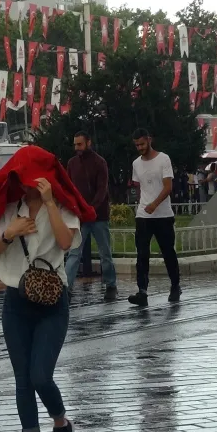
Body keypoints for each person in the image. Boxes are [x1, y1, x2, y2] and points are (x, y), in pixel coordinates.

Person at [0, 145, 95, 432]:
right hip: (16, 303)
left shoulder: (61, 207)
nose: (29, 183)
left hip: (51, 303)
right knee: (22, 379)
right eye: (23, 177)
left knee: (40, 376)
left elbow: (65, 242)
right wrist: (9, 233)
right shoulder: (10, 209)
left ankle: (61, 423)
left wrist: (48, 203)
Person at [127, 128, 181, 307]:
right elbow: (139, 185)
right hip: (143, 215)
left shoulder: (163, 159)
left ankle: (175, 285)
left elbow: (167, 187)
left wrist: (155, 204)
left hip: (163, 214)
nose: (140, 147)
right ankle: (142, 290)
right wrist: (142, 204)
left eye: (142, 144)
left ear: (149, 140)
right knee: (142, 254)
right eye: (137, 145)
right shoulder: (136, 163)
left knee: (168, 252)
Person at [64, 131, 117, 301]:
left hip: (98, 216)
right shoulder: (72, 163)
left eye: (79, 144)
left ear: (88, 143)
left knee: (105, 253)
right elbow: (69, 188)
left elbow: (102, 190)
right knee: (74, 254)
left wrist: (91, 208)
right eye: (75, 145)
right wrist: (75, 209)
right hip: (80, 217)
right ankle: (66, 288)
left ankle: (110, 285)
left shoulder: (100, 162)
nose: (77, 148)